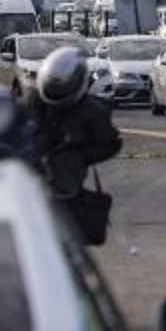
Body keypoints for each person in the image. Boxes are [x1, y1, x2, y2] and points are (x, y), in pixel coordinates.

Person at [34, 46, 123, 244]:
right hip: (31, 167)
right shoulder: (34, 102)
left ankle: (69, 251)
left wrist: (79, 153)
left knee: (68, 210)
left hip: (66, 178)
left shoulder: (92, 112)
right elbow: (11, 127)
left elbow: (111, 143)